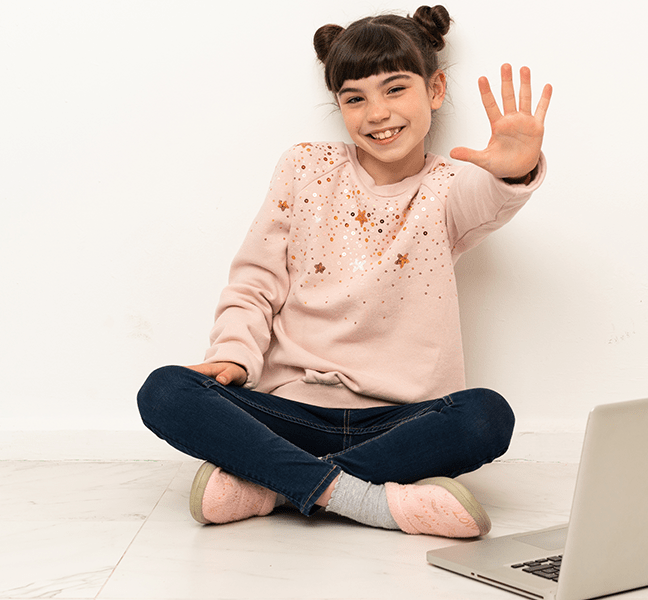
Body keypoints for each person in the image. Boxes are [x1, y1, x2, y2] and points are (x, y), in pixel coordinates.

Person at [136, 5, 552, 539]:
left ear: (436, 90)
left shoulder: (451, 186)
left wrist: (516, 168)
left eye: (395, 89)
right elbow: (255, 282)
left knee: (487, 416)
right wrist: (233, 357)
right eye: (355, 98)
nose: (377, 113)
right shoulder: (305, 167)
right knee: (166, 390)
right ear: (339, 106)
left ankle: (269, 486)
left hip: (400, 424)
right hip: (291, 413)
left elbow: (492, 198)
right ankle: (368, 500)